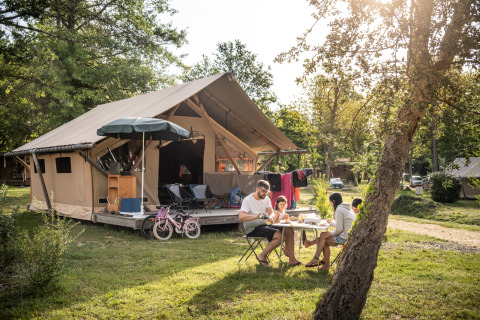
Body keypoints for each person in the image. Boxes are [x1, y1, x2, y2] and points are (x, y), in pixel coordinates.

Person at [239, 180, 302, 266]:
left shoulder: (266, 198)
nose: (265, 194)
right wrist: (256, 216)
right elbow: (241, 216)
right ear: (257, 189)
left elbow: (271, 212)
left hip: (265, 225)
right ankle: (262, 255)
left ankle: (292, 259)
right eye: (263, 191)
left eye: (267, 192)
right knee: (280, 236)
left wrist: (271, 217)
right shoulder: (248, 200)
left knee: (288, 229)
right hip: (252, 228)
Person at [303, 193, 356, 270]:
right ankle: (319, 258)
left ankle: (320, 261)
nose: (330, 203)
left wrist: (331, 234)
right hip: (348, 234)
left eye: (330, 202)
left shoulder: (339, 209)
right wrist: (331, 222)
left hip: (344, 237)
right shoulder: (347, 208)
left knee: (323, 240)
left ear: (333, 201)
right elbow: (342, 225)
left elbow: (339, 229)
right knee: (323, 236)